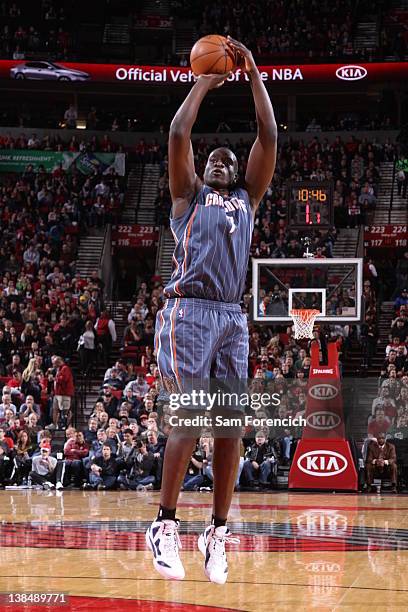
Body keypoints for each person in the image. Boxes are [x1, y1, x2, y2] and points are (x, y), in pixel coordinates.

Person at [146, 35, 277, 584]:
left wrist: (253, 76)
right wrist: (206, 80)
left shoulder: (247, 199)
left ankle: (217, 532)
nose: (222, 162)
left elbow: (268, 135)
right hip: (188, 312)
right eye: (215, 160)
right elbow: (180, 133)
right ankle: (164, 524)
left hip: (230, 317)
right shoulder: (187, 197)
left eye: (229, 159)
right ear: (203, 173)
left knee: (231, 428)